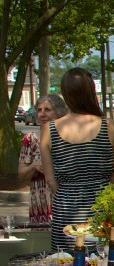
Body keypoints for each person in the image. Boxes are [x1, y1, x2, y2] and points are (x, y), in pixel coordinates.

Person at [40, 67, 114, 252]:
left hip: (66, 205)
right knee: (104, 262)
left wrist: (69, 192)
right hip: (101, 203)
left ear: (65, 94)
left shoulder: (50, 129)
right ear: (91, 91)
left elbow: (50, 179)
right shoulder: (107, 126)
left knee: (67, 264)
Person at [18, 94, 68, 224]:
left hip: (65, 203)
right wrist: (34, 165)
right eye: (39, 110)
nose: (42, 114)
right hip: (40, 205)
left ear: (59, 112)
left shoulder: (69, 138)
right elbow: (21, 175)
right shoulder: (30, 139)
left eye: (47, 110)